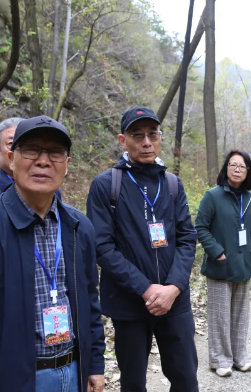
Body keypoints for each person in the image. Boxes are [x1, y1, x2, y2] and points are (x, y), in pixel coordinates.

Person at [0, 116, 105, 392]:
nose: (43, 161)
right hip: (9, 379)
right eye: (32, 150)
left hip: (73, 373)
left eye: (55, 153)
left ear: (67, 164)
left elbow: (89, 301)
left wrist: (94, 364)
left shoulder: (78, 227)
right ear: (11, 159)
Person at [86, 107, 198, 392]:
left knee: (186, 379)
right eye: (138, 135)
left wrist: (173, 287)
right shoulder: (106, 185)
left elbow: (187, 237)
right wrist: (146, 289)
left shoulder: (172, 183)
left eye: (152, 134)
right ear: (122, 140)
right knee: (133, 382)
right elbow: (102, 246)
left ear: (160, 137)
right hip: (130, 303)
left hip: (175, 302)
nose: (147, 142)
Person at [196, 150, 251, 377]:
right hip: (220, 265)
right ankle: (220, 359)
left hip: (244, 264)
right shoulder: (212, 196)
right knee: (220, 315)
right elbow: (200, 228)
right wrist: (216, 252)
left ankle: (239, 356)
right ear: (226, 168)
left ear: (248, 172)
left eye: (242, 166)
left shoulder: (250, 199)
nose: (237, 169)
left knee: (240, 315)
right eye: (233, 165)